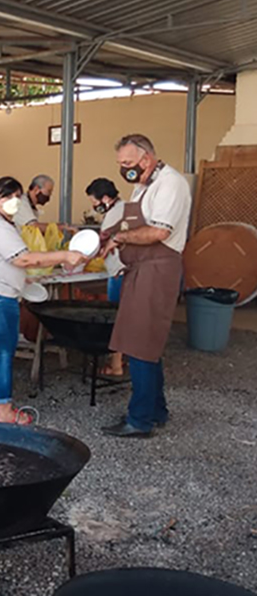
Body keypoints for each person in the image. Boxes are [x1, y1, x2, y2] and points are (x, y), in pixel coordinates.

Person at [0, 177, 85, 423]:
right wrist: (64, 255)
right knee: (2, 353)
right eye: (6, 197)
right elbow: (23, 259)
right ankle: (5, 412)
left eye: (16, 197)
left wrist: (22, 280)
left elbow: (7, 262)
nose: (13, 202)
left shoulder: (4, 224)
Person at [99, 134, 191, 438]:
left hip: (157, 269)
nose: (123, 168)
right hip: (139, 270)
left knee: (140, 345)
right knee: (146, 343)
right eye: (120, 164)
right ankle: (157, 410)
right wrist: (109, 233)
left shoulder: (171, 184)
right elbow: (131, 223)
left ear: (146, 159)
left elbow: (158, 232)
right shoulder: (143, 185)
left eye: (127, 163)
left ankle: (139, 420)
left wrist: (120, 238)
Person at [85, 177, 126, 376]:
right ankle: (124, 358)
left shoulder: (112, 216)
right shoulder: (125, 207)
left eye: (95, 203)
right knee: (127, 317)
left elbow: (100, 244)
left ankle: (116, 364)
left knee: (116, 318)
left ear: (106, 198)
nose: (94, 208)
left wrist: (78, 256)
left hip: (119, 271)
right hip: (129, 270)